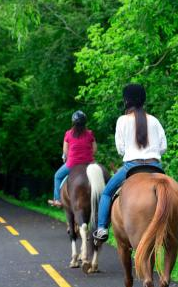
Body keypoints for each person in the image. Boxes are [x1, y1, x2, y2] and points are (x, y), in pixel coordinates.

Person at [92, 84, 167, 244]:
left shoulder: (122, 120)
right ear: (143, 100)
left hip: (131, 167)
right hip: (156, 166)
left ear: (126, 101)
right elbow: (163, 147)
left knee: (106, 193)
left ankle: (102, 229)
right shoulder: (154, 120)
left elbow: (120, 150)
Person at [48, 110, 97, 207]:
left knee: (57, 176)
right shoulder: (90, 133)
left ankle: (57, 200)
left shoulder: (68, 134)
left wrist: (67, 157)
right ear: (85, 122)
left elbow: (65, 151)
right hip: (88, 164)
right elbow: (94, 149)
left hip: (72, 164)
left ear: (73, 122)